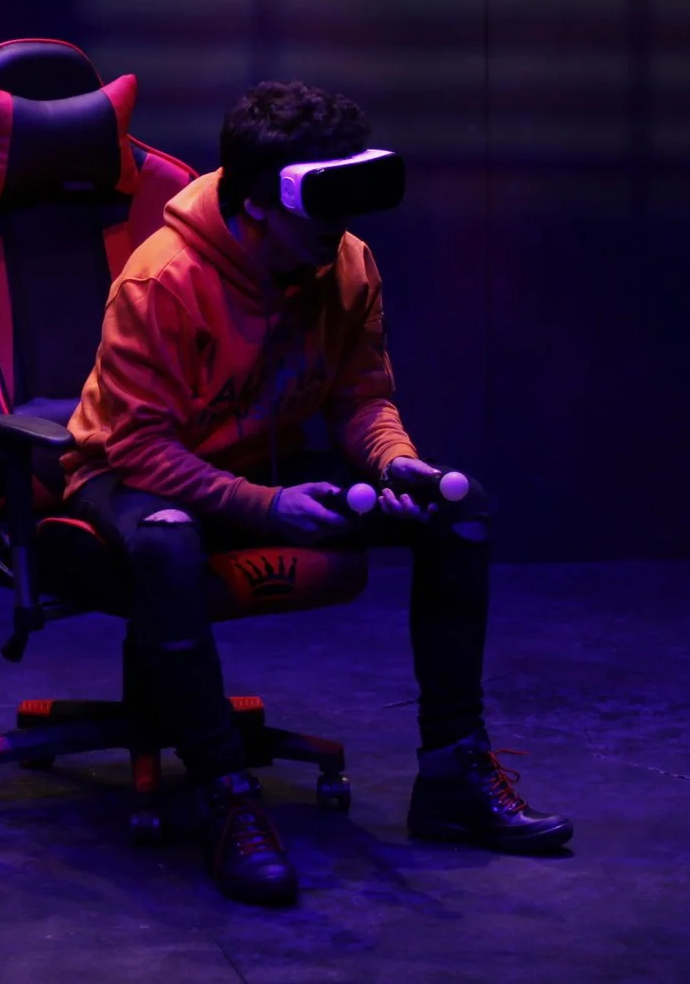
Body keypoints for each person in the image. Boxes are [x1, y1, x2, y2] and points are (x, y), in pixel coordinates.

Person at [59, 81, 571, 907]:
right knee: (167, 542)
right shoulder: (161, 282)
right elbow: (142, 449)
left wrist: (394, 462)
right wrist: (269, 507)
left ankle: (451, 774)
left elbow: (361, 397)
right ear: (256, 204)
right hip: (132, 475)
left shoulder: (346, 262)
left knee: (458, 508)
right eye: (320, 213)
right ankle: (225, 793)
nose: (337, 234)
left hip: (264, 463)